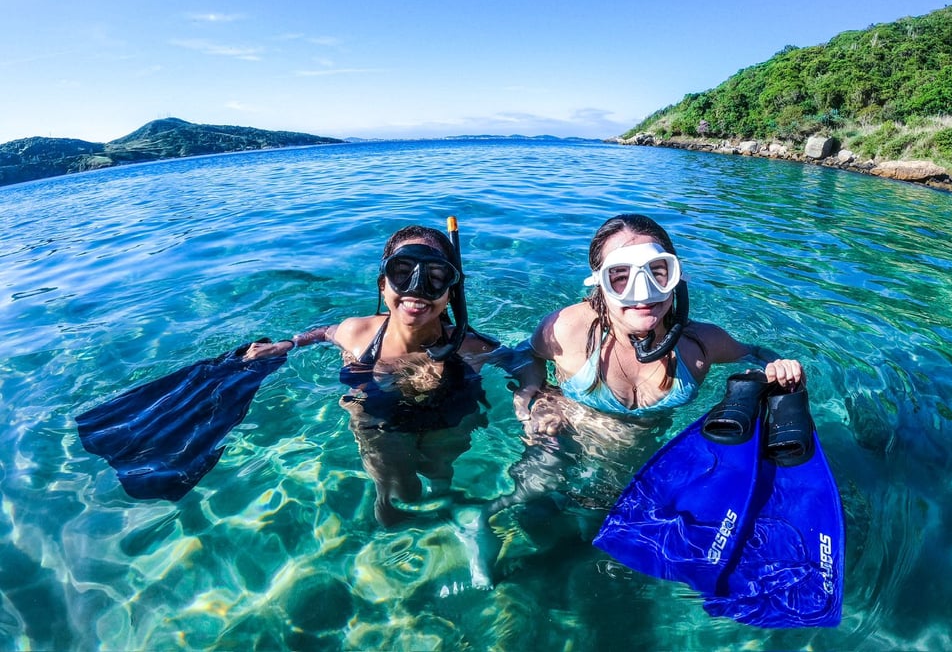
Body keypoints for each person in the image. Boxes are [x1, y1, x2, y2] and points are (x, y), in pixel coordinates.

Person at [244, 224, 499, 530]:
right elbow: (325, 332)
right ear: (382, 284)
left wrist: (538, 396)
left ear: (450, 292)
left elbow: (522, 361)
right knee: (393, 501)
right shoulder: (358, 333)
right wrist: (289, 343)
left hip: (448, 415)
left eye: (435, 276)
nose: (416, 289)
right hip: (377, 421)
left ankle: (446, 511)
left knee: (439, 469)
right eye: (402, 271)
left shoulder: (471, 347)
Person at [512, 213, 803, 439]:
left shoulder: (702, 344)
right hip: (562, 434)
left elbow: (756, 353)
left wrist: (779, 367)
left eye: (657, 271)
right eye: (621, 276)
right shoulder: (565, 329)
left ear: (676, 275)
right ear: (600, 284)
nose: (643, 293)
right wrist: (534, 391)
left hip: (645, 453)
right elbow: (527, 353)